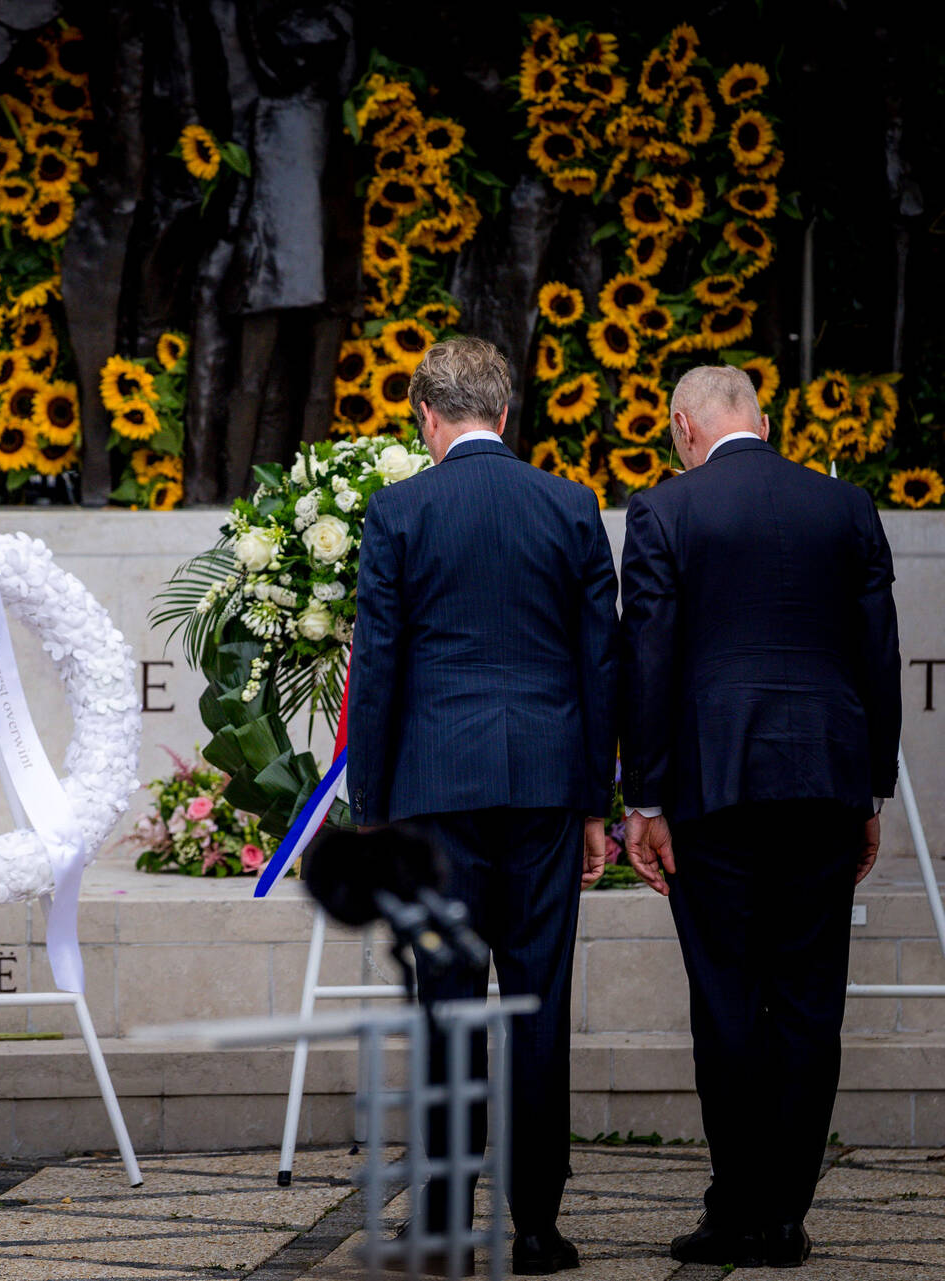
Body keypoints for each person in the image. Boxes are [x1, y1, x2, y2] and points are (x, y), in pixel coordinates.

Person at [620, 364, 901, 1269]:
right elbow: (878, 653)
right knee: (813, 1001)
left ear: (683, 425)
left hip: (716, 790)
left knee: (729, 996)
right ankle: (786, 1210)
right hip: (825, 783)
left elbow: (649, 660)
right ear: (763, 419)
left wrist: (645, 799)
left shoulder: (665, 511)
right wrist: (871, 791)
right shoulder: (846, 507)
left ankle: (739, 1206)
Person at [348, 336, 618, 1276]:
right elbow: (601, 665)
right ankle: (538, 1227)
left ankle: (442, 1222)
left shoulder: (399, 509)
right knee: (539, 1008)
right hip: (545, 789)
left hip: (433, 794)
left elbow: (376, 666)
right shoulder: (570, 504)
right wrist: (598, 803)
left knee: (446, 1008)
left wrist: (371, 809)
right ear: (506, 413)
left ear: (427, 415)